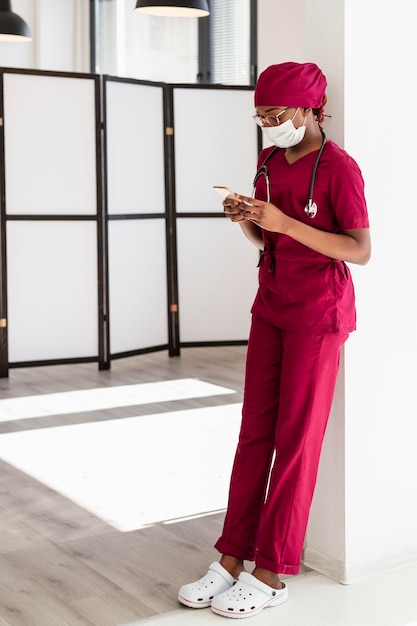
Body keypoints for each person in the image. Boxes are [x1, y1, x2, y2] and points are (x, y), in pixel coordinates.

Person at [178, 61, 371, 619]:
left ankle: (272, 572)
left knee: (296, 442)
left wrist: (284, 224)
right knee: (254, 435)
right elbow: (267, 239)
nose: (267, 123)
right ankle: (232, 557)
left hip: (318, 316)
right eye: (261, 114)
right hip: (271, 307)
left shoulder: (339, 168)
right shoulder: (267, 160)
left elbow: (359, 249)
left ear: (310, 108)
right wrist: (246, 218)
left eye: (275, 113)